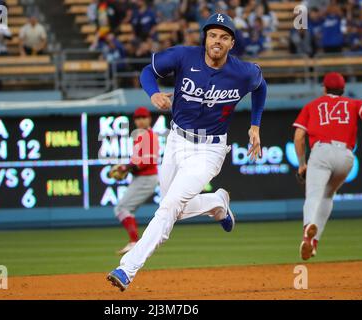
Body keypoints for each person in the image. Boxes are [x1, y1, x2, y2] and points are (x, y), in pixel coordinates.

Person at [107, 13, 266, 291]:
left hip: (209, 149)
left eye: (224, 37)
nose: (217, 41)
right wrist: (153, 93)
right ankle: (217, 203)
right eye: (213, 35)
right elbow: (147, 72)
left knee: (168, 207)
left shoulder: (244, 72)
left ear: (231, 43)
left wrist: (255, 124)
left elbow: (260, 87)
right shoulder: (183, 56)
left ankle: (127, 269)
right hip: (176, 141)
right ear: (205, 37)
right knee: (173, 208)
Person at [293, 72, 362, 261]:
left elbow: (299, 137)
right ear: (343, 89)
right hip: (346, 156)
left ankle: (308, 231)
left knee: (314, 195)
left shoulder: (312, 105)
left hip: (322, 151)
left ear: (324, 88)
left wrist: (302, 164)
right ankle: (314, 243)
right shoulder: (354, 103)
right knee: (327, 196)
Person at [111, 107, 159, 255]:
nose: (140, 120)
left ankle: (135, 242)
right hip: (141, 178)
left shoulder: (149, 136)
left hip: (147, 178)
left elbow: (147, 161)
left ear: (149, 119)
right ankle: (135, 242)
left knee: (121, 209)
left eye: (143, 117)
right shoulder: (140, 136)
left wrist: (126, 167)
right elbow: (137, 160)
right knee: (123, 209)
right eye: (137, 118)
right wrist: (127, 167)